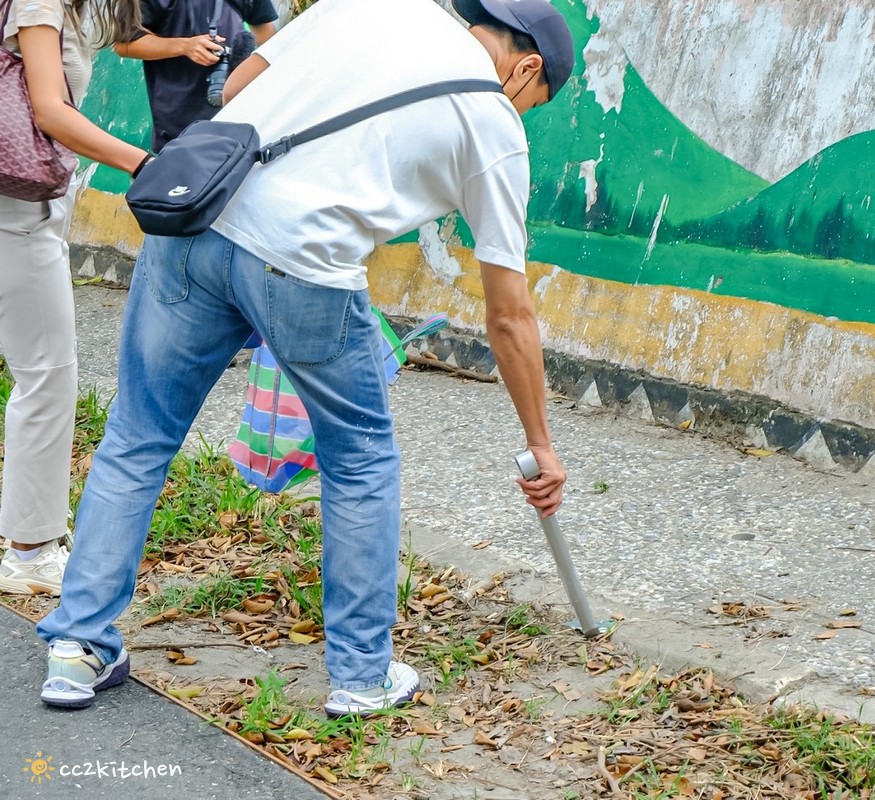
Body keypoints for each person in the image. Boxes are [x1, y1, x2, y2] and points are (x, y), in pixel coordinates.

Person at [37, 0, 573, 714]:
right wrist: (540, 442)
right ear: (527, 65)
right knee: (359, 460)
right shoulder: (493, 122)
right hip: (303, 265)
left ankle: (76, 649)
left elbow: (233, 91)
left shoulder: (373, 5)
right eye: (533, 101)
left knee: (138, 434)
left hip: (193, 217)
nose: (524, 112)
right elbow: (509, 314)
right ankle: (361, 676)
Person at [0, 0, 152, 596]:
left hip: (33, 204)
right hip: (18, 213)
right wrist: (143, 162)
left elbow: (133, 39)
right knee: (47, 373)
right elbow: (49, 108)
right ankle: (30, 553)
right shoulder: (39, 2)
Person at [114, 0, 277, 152]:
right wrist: (185, 46)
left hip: (240, 117)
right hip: (180, 125)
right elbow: (124, 44)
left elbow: (266, 35)